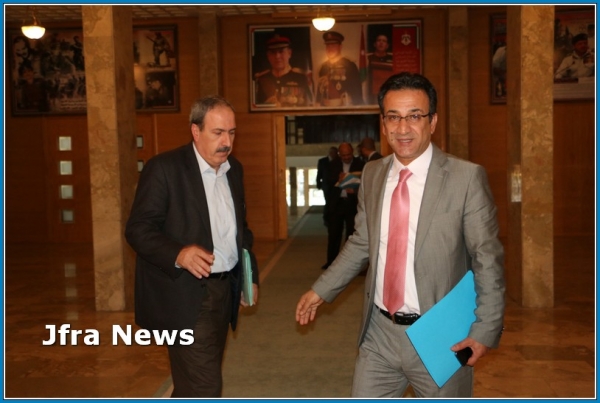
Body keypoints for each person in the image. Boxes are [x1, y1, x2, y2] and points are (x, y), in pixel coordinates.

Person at [296, 72, 505, 397]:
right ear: (383, 123)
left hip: (441, 336)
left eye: (414, 116)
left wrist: (485, 328)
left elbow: (487, 260)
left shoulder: (465, 178)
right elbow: (362, 242)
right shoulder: (373, 174)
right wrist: (321, 290)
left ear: (432, 121)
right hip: (379, 333)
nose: (403, 128)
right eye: (393, 117)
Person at [125, 96, 259, 397]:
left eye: (232, 133)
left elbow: (242, 232)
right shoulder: (164, 169)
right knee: (204, 387)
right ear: (195, 131)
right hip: (184, 297)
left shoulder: (234, 170)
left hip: (224, 291)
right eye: (218, 133)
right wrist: (178, 253)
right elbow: (137, 229)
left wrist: (249, 276)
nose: (227, 142)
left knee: (192, 385)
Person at [321, 142, 365, 269]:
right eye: (344, 155)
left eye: (348, 154)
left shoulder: (360, 164)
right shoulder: (332, 165)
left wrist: (355, 189)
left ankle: (349, 264)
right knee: (334, 234)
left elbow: (365, 182)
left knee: (351, 235)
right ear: (339, 154)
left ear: (352, 152)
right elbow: (327, 182)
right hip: (337, 204)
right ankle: (331, 262)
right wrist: (338, 179)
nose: (346, 157)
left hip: (352, 204)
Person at [254, 34, 313, 107]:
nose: (277, 56)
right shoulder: (261, 79)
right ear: (268, 56)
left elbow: (310, 104)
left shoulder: (301, 77)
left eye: (281, 51)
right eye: (273, 52)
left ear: (289, 53)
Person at [316, 31, 363, 107]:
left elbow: (357, 93)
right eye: (328, 46)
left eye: (333, 45)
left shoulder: (350, 66)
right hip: (326, 109)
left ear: (340, 47)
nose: (330, 48)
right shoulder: (323, 67)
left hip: (344, 109)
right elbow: (320, 91)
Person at [367, 34, 394, 104]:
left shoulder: (393, 59)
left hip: (389, 92)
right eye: (379, 40)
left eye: (384, 41)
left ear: (387, 45)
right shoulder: (368, 58)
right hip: (373, 93)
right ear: (375, 44)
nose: (381, 43)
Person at [316, 146, 338, 226]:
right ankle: (327, 218)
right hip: (326, 185)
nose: (332, 154)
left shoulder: (339, 161)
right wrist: (318, 183)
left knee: (335, 202)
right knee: (328, 201)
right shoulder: (322, 161)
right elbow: (319, 173)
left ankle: (334, 217)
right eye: (331, 152)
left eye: (334, 153)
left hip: (336, 185)